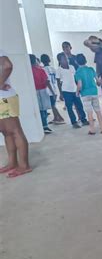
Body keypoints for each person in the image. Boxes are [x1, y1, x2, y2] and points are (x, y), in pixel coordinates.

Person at [0, 50, 31, 178]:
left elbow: (7, 65)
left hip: (4, 98)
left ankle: (24, 166)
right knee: (6, 132)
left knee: (15, 131)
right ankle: (12, 163)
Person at [75, 54, 102, 135]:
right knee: (98, 110)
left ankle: (92, 129)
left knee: (89, 112)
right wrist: (99, 83)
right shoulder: (91, 69)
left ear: (76, 62)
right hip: (94, 92)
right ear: (85, 61)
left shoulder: (78, 72)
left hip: (85, 94)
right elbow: (98, 81)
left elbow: (80, 85)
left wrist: (77, 92)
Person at [56, 52, 88, 129]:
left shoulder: (72, 67)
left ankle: (83, 119)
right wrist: (60, 93)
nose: (66, 60)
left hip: (74, 89)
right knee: (69, 107)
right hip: (66, 91)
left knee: (79, 105)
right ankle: (74, 122)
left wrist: (78, 87)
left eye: (66, 58)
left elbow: (75, 78)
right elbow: (58, 82)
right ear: (60, 61)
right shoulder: (59, 70)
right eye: (64, 58)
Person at [30, 54, 54, 134]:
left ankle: (42, 125)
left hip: (34, 92)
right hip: (42, 90)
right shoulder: (40, 70)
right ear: (35, 60)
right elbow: (47, 81)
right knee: (43, 110)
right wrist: (52, 91)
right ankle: (45, 125)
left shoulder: (28, 71)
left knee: (39, 110)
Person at [40, 54, 65, 125]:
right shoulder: (53, 68)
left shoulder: (43, 70)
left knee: (52, 105)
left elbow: (46, 81)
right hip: (55, 88)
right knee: (53, 104)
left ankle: (60, 118)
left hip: (49, 90)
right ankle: (55, 117)